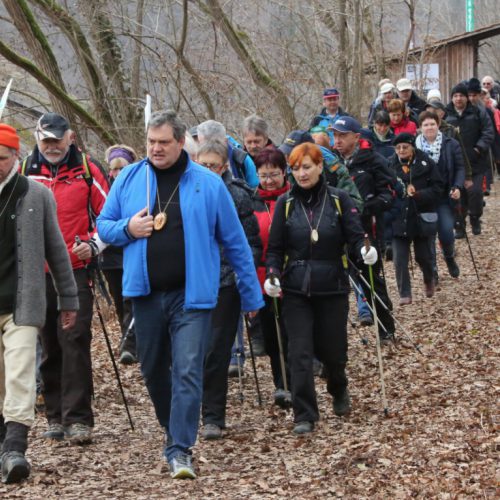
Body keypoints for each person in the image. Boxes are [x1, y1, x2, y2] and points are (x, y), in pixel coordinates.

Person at [97, 110, 263, 479]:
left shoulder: (207, 182)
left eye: (163, 142)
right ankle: (173, 428)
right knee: (154, 368)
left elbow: (235, 242)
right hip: (146, 294)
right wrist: (129, 227)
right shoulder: (129, 178)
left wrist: (251, 297)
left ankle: (180, 448)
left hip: (193, 295)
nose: (156, 149)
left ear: (181, 141)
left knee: (188, 369)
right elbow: (104, 226)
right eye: (151, 142)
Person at [265, 142, 377, 434]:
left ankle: (338, 386)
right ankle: (304, 414)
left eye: (307, 167)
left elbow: (355, 237)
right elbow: (275, 248)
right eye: (296, 168)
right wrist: (273, 274)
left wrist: (365, 251)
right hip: (296, 287)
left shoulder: (339, 200)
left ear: (319, 167)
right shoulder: (286, 204)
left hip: (332, 286)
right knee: (299, 351)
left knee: (333, 351)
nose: (301, 173)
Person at [22, 112, 109, 445]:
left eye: (57, 140)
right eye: (46, 140)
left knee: (74, 339)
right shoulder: (23, 171)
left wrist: (94, 244)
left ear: (70, 137)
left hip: (75, 269)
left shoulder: (88, 170)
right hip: (34, 272)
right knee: (48, 345)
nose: (52, 146)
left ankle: (79, 419)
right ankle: (55, 417)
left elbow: (111, 214)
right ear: (37, 139)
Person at [0, 123, 78, 483]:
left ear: (16, 156)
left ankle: (16, 448)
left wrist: (68, 299)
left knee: (20, 375)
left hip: (23, 305)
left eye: (1, 157)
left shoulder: (36, 195)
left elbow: (57, 251)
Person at [196, 140, 262, 441]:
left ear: (223, 166)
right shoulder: (186, 192)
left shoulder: (238, 195)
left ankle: (213, 414)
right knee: (193, 350)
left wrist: (245, 284)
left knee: (217, 349)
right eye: (202, 164)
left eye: (213, 165)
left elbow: (249, 244)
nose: (207, 170)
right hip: (192, 281)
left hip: (225, 281)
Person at [330, 117, 396, 341]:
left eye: (342, 135)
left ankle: (386, 328)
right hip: (334, 230)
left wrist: (365, 207)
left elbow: (390, 193)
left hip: (367, 230)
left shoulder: (373, 160)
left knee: (371, 279)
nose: (337, 140)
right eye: (335, 135)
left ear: (356, 137)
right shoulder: (329, 161)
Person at [252, 148, 292, 406]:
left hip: (293, 272)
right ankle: (281, 382)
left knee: (291, 330)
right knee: (271, 333)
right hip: (261, 273)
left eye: (274, 175)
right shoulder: (250, 201)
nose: (268, 180)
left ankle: (292, 381)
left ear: (284, 172)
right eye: (264, 175)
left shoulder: (294, 197)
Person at [388, 133, 444, 304]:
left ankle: (429, 278)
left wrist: (419, 194)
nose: (401, 151)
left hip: (420, 215)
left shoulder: (426, 162)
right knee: (399, 258)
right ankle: (404, 293)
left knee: (423, 256)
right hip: (399, 217)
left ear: (412, 146)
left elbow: (438, 187)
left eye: (405, 147)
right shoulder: (389, 164)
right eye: (398, 148)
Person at [416, 111, 465, 280]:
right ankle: (432, 269)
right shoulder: (414, 148)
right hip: (425, 198)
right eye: (425, 125)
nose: (429, 127)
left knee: (446, 232)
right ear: (420, 128)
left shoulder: (451, 144)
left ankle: (449, 256)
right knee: (428, 234)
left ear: (438, 125)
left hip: (445, 195)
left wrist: (457, 186)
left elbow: (460, 167)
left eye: (432, 124)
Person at [101, 144, 138, 365]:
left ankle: (131, 343)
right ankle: (127, 341)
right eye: (114, 169)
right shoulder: (104, 190)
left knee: (131, 299)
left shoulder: (138, 187)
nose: (117, 173)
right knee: (119, 299)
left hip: (131, 253)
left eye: (121, 168)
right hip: (111, 257)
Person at [445, 82, 494, 235]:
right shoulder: (447, 114)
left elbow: (488, 132)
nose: (458, 99)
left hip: (476, 161)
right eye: (455, 96)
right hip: (455, 162)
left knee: (475, 192)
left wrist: (478, 148)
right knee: (458, 194)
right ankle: (459, 224)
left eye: (461, 96)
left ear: (466, 98)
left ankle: (475, 217)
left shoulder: (478, 112)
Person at [197, 120, 259, 188]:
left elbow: (254, 190)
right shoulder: (194, 158)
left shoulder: (241, 159)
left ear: (225, 141)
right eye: (202, 144)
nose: (208, 149)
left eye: (214, 144)